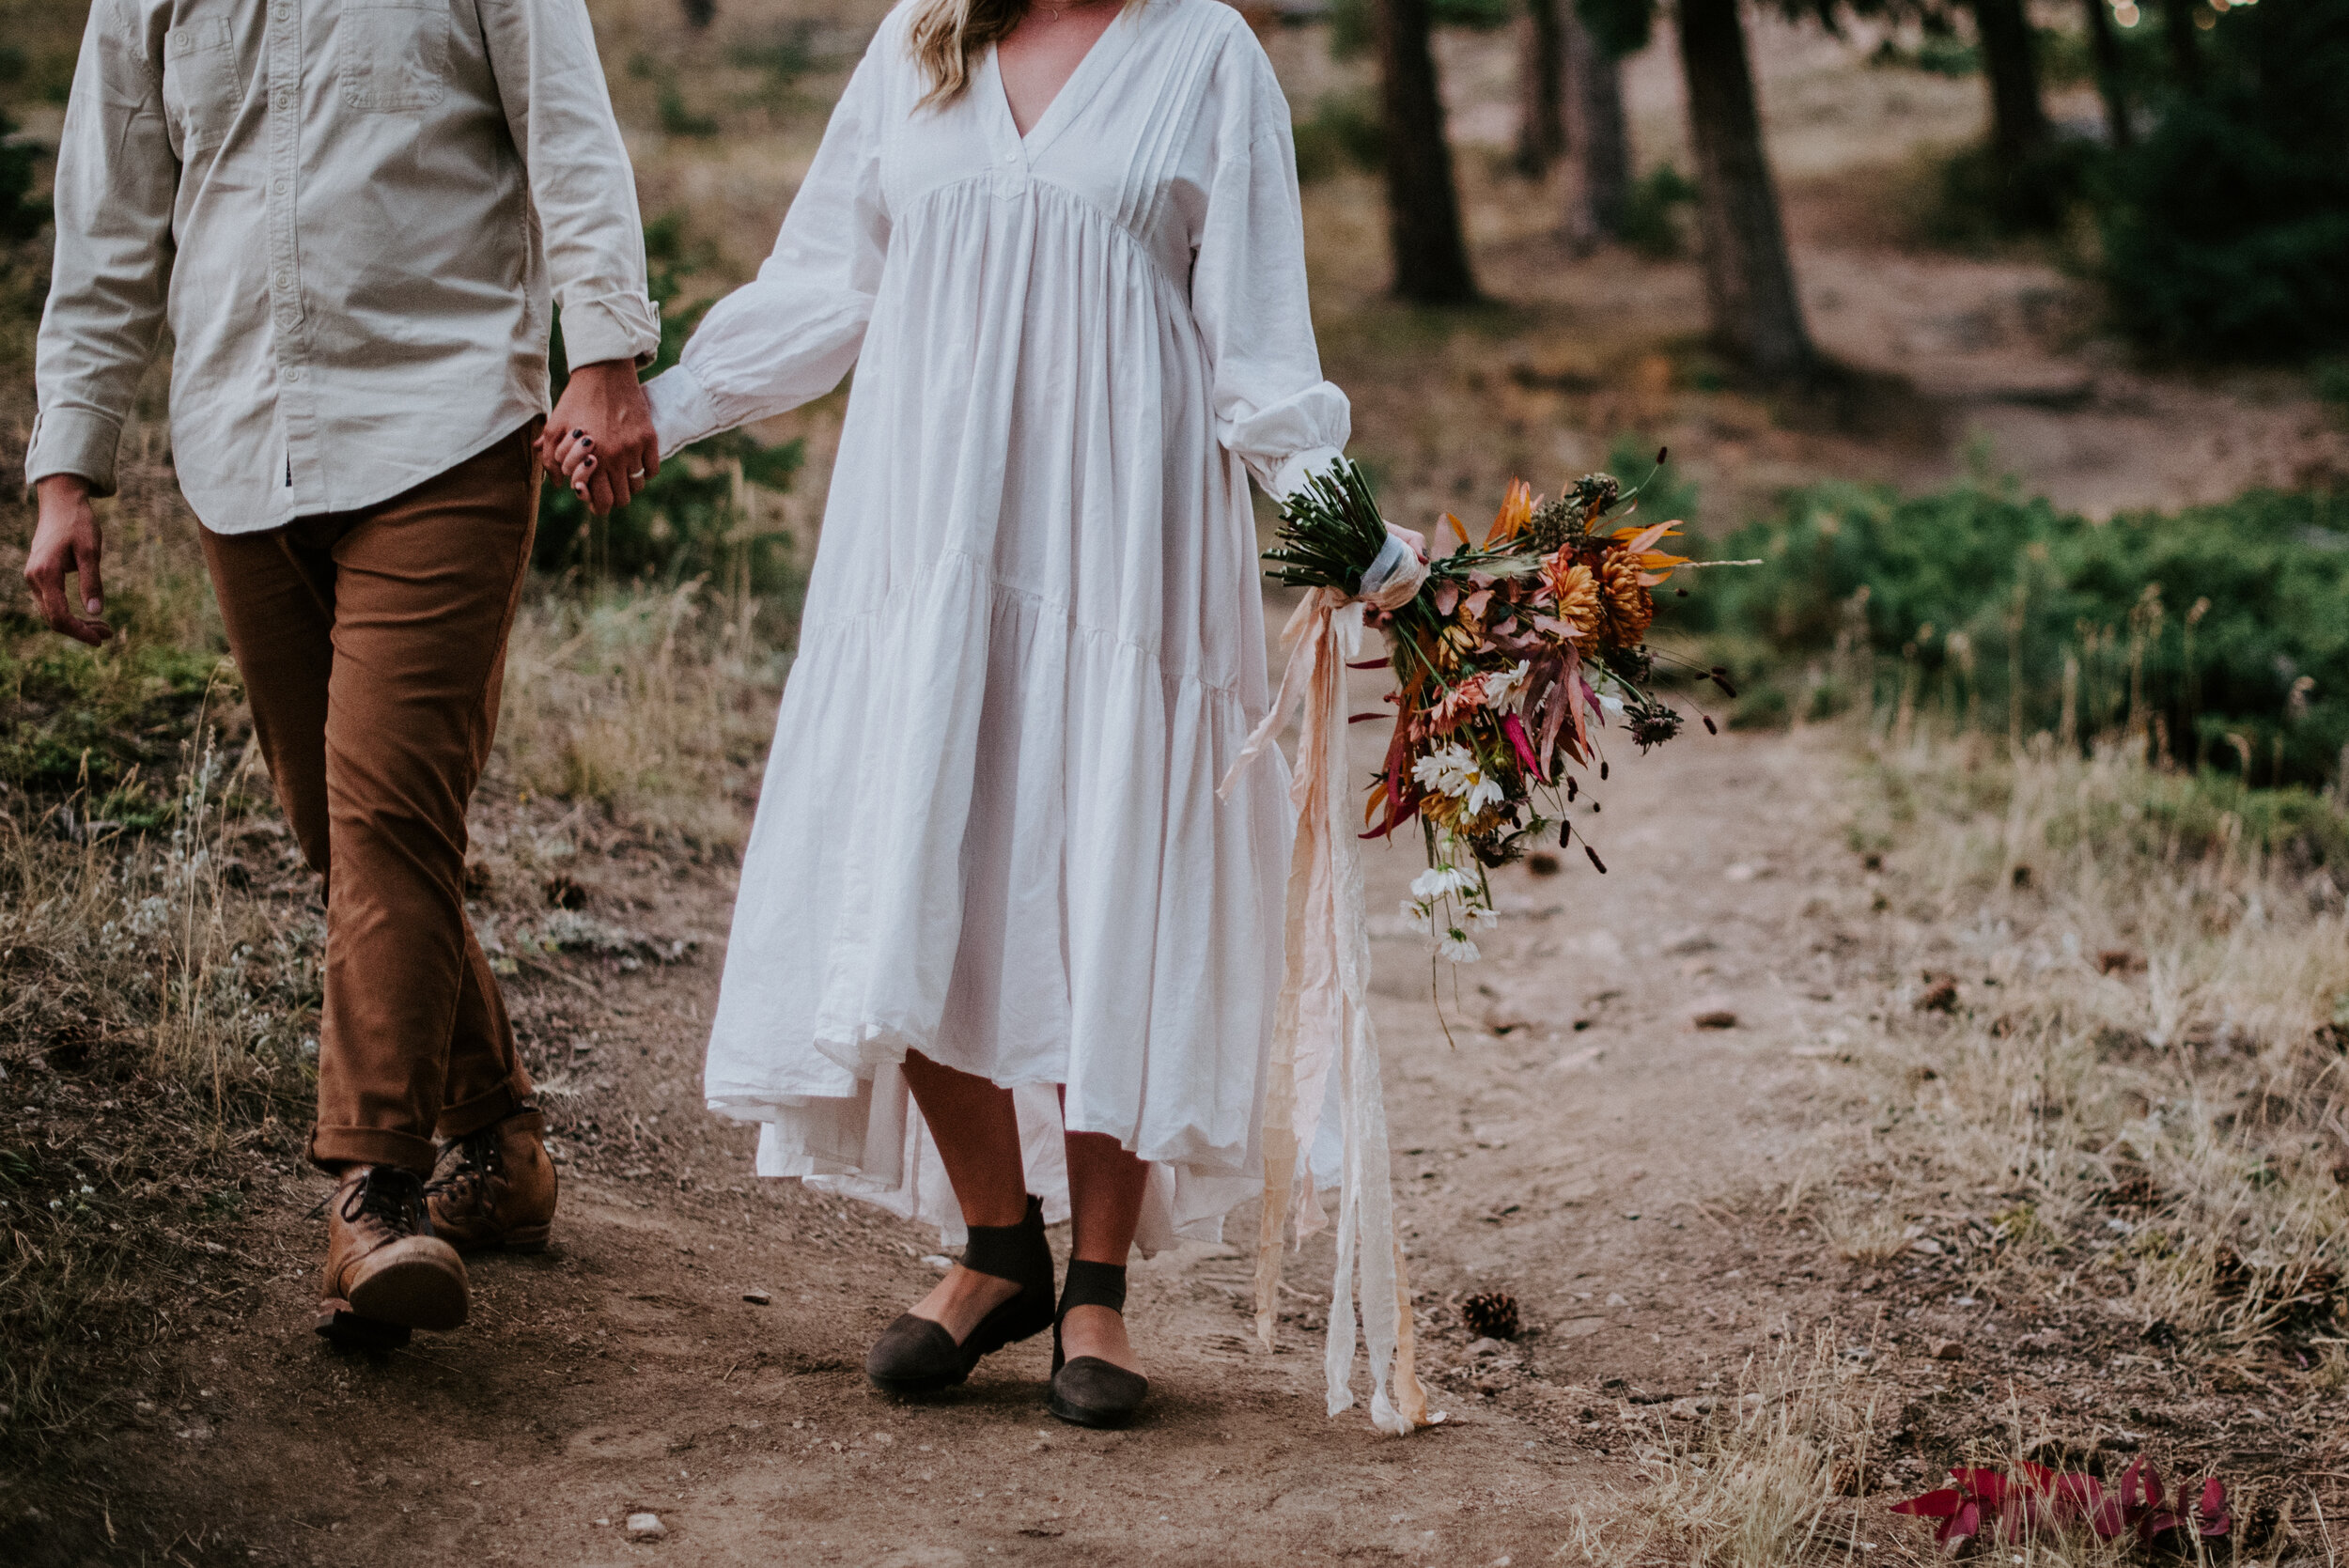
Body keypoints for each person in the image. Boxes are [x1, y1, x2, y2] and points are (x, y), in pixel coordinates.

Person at [554, 0, 1348, 1427]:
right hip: (926, 541)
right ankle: (999, 1245)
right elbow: (825, 287)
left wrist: (1359, 537)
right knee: (910, 846)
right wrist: (665, 409)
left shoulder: (1206, 55)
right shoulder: (922, 41)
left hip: (1125, 560)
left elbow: (1260, 354)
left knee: (1115, 875)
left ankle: (1096, 1280)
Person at [23, 0, 662, 1348]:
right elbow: (113, 200)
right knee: (347, 826)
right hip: (239, 444)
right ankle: (501, 1136)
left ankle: (378, 1193)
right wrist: (68, 463)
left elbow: (572, 135)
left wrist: (603, 355)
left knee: (385, 815)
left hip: (446, 429)